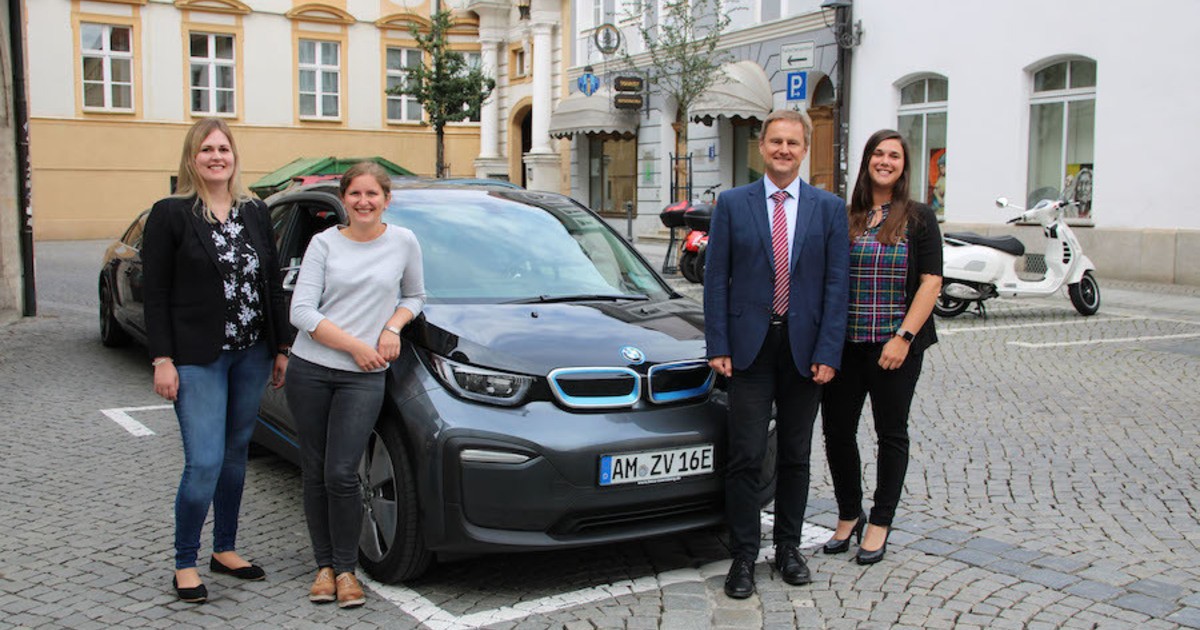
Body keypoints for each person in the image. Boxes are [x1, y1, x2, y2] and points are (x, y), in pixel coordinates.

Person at [143, 118, 291, 604]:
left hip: (251, 352)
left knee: (234, 457)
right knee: (204, 461)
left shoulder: (254, 212)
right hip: (197, 357)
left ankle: (224, 548)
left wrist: (281, 346)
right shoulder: (171, 213)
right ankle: (185, 560)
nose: (216, 156)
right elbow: (156, 292)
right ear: (192, 158)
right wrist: (162, 358)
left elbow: (270, 283)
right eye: (206, 149)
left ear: (234, 156)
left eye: (223, 148)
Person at [704, 109, 850, 599]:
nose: (784, 150)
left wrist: (830, 350)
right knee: (745, 455)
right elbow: (715, 279)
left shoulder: (827, 209)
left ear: (804, 149)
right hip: (748, 349)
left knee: (795, 455)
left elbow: (836, 286)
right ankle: (743, 555)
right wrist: (718, 343)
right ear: (761, 147)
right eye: (775, 142)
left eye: (793, 143)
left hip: (804, 350)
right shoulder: (732, 203)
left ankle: (788, 547)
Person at [285, 162, 425, 608]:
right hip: (311, 369)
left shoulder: (403, 241)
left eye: (372, 194)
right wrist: (355, 347)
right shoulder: (323, 244)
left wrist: (392, 329)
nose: (363, 202)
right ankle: (323, 567)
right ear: (344, 199)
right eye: (355, 195)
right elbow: (301, 312)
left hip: (362, 378)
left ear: (387, 199)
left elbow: (415, 296)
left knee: (342, 473)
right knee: (315, 471)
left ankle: (346, 570)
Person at [820, 129, 943, 565]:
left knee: (891, 434)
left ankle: (880, 522)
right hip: (846, 345)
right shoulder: (846, 215)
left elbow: (931, 281)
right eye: (878, 153)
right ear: (867, 161)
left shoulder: (918, 217)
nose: (885, 160)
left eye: (894, 155)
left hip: (895, 347)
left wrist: (903, 338)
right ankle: (849, 515)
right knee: (837, 432)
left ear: (904, 165)